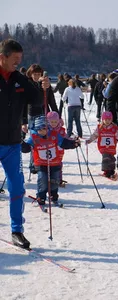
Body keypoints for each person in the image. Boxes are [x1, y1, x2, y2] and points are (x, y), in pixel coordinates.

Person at [0, 39, 50, 248]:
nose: (18, 63)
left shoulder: (19, 79)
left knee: (17, 188)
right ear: (2, 57)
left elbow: (37, 100)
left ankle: (17, 230)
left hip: (12, 143)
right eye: (15, 59)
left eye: (20, 59)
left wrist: (43, 87)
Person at [22, 116, 80, 205]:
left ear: (48, 128)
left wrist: (73, 143)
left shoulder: (54, 134)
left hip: (54, 162)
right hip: (41, 163)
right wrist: (20, 143)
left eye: (44, 129)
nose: (42, 131)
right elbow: (26, 148)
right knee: (42, 179)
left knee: (55, 180)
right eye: (39, 129)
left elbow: (64, 143)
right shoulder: (34, 137)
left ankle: (53, 195)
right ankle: (41, 196)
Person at [85, 111, 118, 180]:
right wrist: (89, 140)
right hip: (103, 147)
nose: (107, 121)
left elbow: (117, 135)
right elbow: (95, 135)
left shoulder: (114, 128)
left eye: (109, 119)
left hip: (111, 147)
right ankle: (106, 172)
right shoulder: (100, 128)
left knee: (112, 159)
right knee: (106, 158)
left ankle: (111, 170)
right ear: (103, 120)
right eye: (106, 119)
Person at [47, 111, 68, 187]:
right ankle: (49, 179)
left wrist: (72, 141)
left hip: (59, 151)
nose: (53, 123)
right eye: (51, 122)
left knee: (58, 164)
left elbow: (66, 138)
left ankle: (59, 179)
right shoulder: (46, 130)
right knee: (49, 165)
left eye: (55, 122)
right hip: (50, 151)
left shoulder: (61, 130)